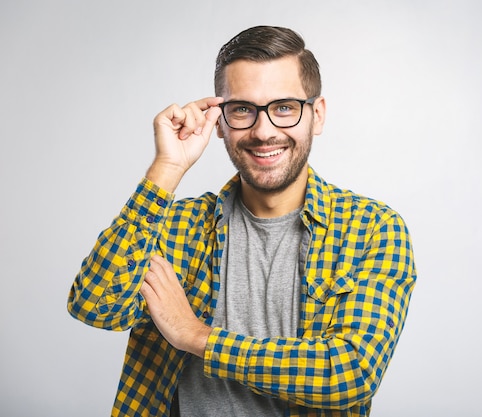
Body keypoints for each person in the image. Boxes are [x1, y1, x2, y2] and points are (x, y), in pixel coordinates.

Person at [67, 25, 417, 417]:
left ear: (316, 115)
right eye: (243, 110)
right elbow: (95, 306)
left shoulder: (372, 228)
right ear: (219, 121)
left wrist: (196, 336)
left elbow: (349, 373)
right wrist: (166, 168)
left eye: (284, 107)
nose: (263, 131)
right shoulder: (176, 225)